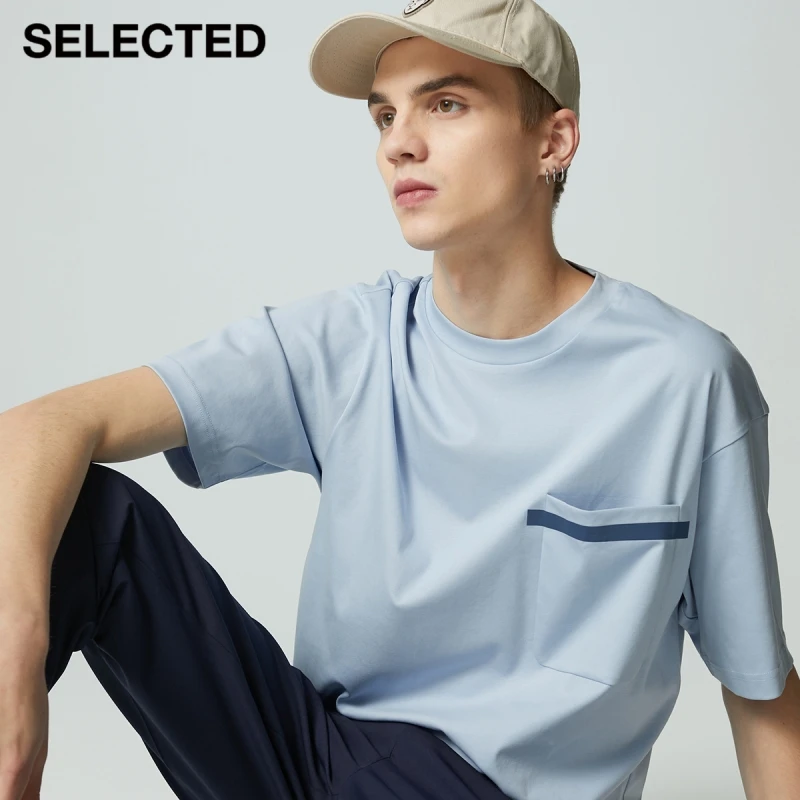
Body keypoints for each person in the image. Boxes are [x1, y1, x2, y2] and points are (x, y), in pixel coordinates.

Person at [1, 0, 796, 799]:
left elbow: (759, 689)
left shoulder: (683, 380)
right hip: (318, 762)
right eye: (385, 115)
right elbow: (43, 426)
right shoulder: (348, 341)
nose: (398, 143)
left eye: (445, 104)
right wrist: (22, 641)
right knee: (79, 518)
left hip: (485, 789)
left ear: (553, 141)